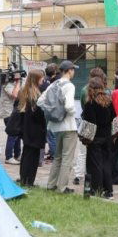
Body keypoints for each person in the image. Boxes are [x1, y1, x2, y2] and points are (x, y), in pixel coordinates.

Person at [39, 60, 77, 193]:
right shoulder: (70, 86)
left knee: (58, 157)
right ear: (69, 71)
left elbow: (40, 102)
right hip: (68, 126)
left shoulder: (53, 84)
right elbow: (69, 106)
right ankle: (62, 187)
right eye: (73, 70)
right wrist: (73, 114)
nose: (74, 72)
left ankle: (51, 184)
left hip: (55, 126)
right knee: (67, 157)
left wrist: (52, 111)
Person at [81, 76, 116, 199]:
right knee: (106, 163)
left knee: (95, 165)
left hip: (95, 138)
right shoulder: (109, 101)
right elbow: (114, 119)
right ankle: (109, 190)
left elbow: (89, 124)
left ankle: (96, 189)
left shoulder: (90, 103)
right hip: (107, 137)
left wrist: (85, 139)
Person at [17, 70, 46, 186]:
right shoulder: (36, 95)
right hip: (35, 130)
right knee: (33, 157)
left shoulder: (25, 92)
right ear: (36, 79)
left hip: (26, 129)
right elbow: (38, 114)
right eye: (41, 78)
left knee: (26, 154)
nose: (43, 80)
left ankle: (24, 178)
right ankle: (29, 181)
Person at [1, 71, 22, 165]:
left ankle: (17, 155)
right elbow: (15, 95)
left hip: (13, 112)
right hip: (8, 113)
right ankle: (9, 157)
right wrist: (18, 83)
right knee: (12, 134)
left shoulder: (12, 84)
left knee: (17, 134)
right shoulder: (7, 85)